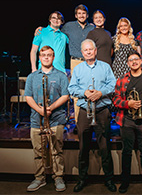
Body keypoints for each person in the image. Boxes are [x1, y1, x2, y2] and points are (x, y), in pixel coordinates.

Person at [68, 39, 117, 192]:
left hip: (102, 110)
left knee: (105, 147)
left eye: (91, 49)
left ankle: (109, 179)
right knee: (83, 147)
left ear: (95, 50)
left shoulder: (105, 67)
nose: (88, 52)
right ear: (82, 53)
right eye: (85, 50)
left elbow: (113, 84)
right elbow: (72, 88)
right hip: (84, 111)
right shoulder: (78, 69)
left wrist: (101, 93)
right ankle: (82, 179)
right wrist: (85, 93)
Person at [112, 51, 142, 193]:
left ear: (141, 61)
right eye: (131, 60)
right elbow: (115, 99)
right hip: (127, 121)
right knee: (126, 152)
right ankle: (125, 181)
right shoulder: (122, 80)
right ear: (128, 64)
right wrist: (128, 104)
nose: (134, 62)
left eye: (136, 59)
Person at [25, 46, 69, 192]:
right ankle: (39, 178)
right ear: (39, 57)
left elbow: (65, 95)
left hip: (56, 119)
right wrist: (41, 111)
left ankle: (58, 177)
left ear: (53, 57)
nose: (46, 57)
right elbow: (28, 97)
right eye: (43, 55)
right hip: (37, 120)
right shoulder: (32, 76)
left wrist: (51, 108)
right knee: (38, 152)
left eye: (49, 55)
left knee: (57, 151)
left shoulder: (61, 75)